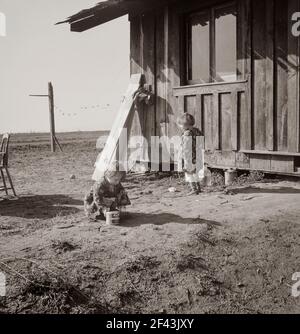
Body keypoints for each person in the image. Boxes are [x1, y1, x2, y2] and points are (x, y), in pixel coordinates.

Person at [177, 113, 204, 196]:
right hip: (197, 156)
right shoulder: (197, 131)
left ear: (185, 125)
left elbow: (186, 148)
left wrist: (183, 157)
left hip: (189, 157)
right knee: (195, 172)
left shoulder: (187, 134)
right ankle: (198, 188)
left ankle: (194, 189)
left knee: (189, 173)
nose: (180, 127)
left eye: (181, 125)